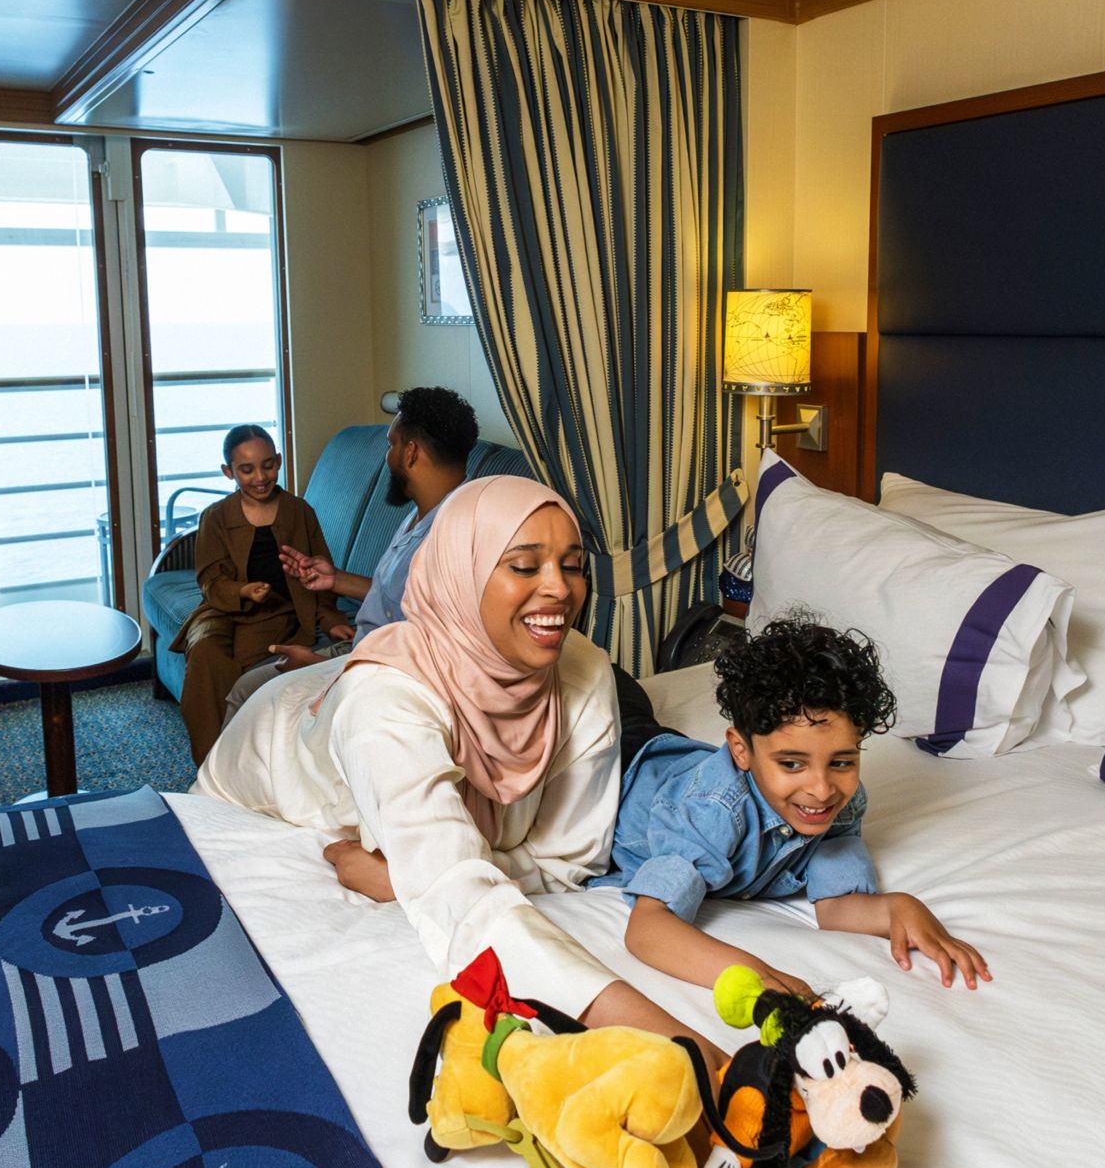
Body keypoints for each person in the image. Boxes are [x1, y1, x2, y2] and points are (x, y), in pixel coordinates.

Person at [196, 474, 722, 1061]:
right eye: (524, 566)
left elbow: (574, 857)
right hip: (268, 775)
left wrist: (405, 877)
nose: (560, 588)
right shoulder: (382, 705)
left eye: (572, 566)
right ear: (460, 573)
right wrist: (686, 1049)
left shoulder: (583, 670)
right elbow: (464, 902)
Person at [594, 617, 992, 997]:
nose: (821, 790)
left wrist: (899, 908)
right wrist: (757, 977)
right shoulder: (714, 812)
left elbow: (835, 907)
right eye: (791, 764)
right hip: (625, 762)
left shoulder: (842, 802)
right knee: (598, 682)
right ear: (741, 751)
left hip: (673, 756)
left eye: (841, 762)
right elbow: (647, 929)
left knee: (620, 695)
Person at [215, 387, 481, 716]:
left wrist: (319, 667)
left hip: (380, 670)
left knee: (248, 693)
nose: (387, 457)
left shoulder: (454, 533)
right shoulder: (421, 513)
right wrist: (336, 580)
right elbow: (404, 597)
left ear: (410, 452)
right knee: (246, 687)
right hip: (361, 648)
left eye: (391, 445)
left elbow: (427, 646)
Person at [170, 425, 348, 762]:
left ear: (278, 461)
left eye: (267, 466)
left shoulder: (299, 511)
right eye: (246, 469)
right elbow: (210, 579)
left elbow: (320, 571)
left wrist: (329, 618)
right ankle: (208, 762)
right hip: (220, 610)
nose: (260, 477)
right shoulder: (215, 517)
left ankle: (233, 761)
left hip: (278, 611)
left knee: (243, 658)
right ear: (229, 472)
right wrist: (243, 590)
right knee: (205, 653)